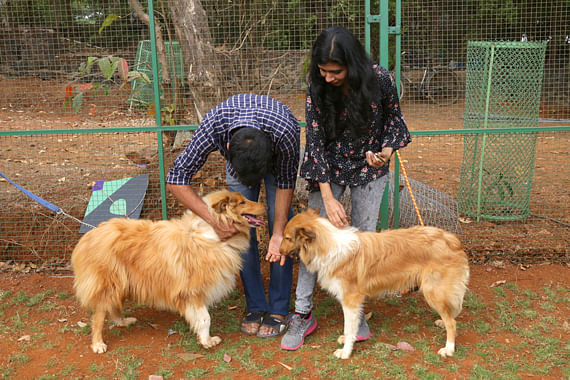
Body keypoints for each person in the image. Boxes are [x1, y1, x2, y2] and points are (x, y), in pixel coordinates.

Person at [280, 26, 411, 350]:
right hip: (329, 168)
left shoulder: (380, 78)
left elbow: (394, 122)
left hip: (369, 169)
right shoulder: (316, 85)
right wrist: (327, 197)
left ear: (352, 64)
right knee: (313, 241)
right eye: (322, 70)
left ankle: (357, 312)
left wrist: (384, 153)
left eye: (334, 71)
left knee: (362, 241)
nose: (327, 77)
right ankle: (302, 312)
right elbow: (315, 141)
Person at [166, 94, 300, 338]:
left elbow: (285, 183)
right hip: (241, 157)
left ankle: (279, 309)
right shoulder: (214, 126)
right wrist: (214, 221)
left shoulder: (284, 131)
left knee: (281, 232)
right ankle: (256, 306)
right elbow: (176, 179)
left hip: (277, 163)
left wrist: (279, 233)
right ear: (227, 148)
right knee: (236, 229)